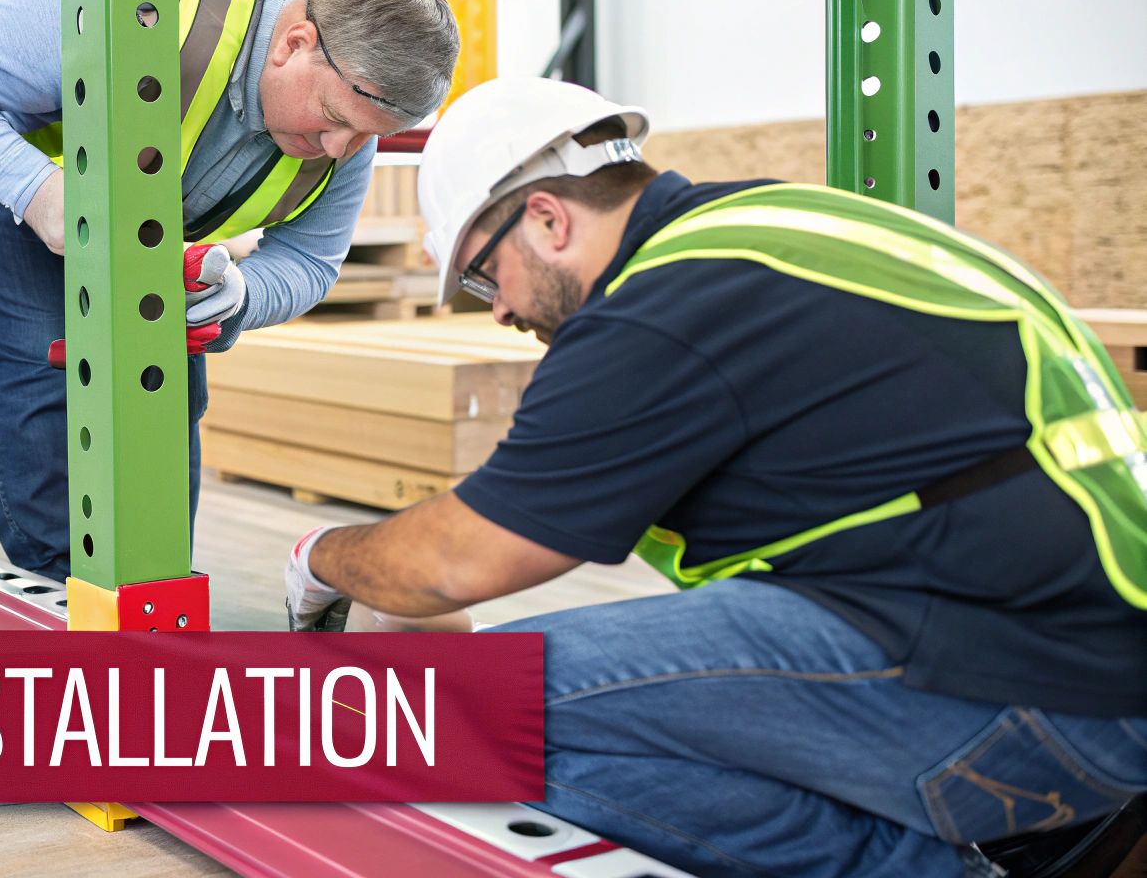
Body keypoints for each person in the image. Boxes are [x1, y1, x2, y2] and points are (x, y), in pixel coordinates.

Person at [283, 77, 1147, 877]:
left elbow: (454, 565)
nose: (499, 309)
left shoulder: (661, 310)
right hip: (1075, 663)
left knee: (450, 713)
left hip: (1037, 694)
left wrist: (322, 559)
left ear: (546, 220)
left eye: (482, 276)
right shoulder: (762, 231)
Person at [0, 0, 457, 581]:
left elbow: (312, 259)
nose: (336, 147)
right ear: (294, 43)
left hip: (124, 214)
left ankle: (152, 582)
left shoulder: (348, 124)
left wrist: (239, 296)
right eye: (330, 118)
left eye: (364, 135)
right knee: (44, 358)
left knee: (169, 376)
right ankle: (62, 591)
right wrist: (38, 192)